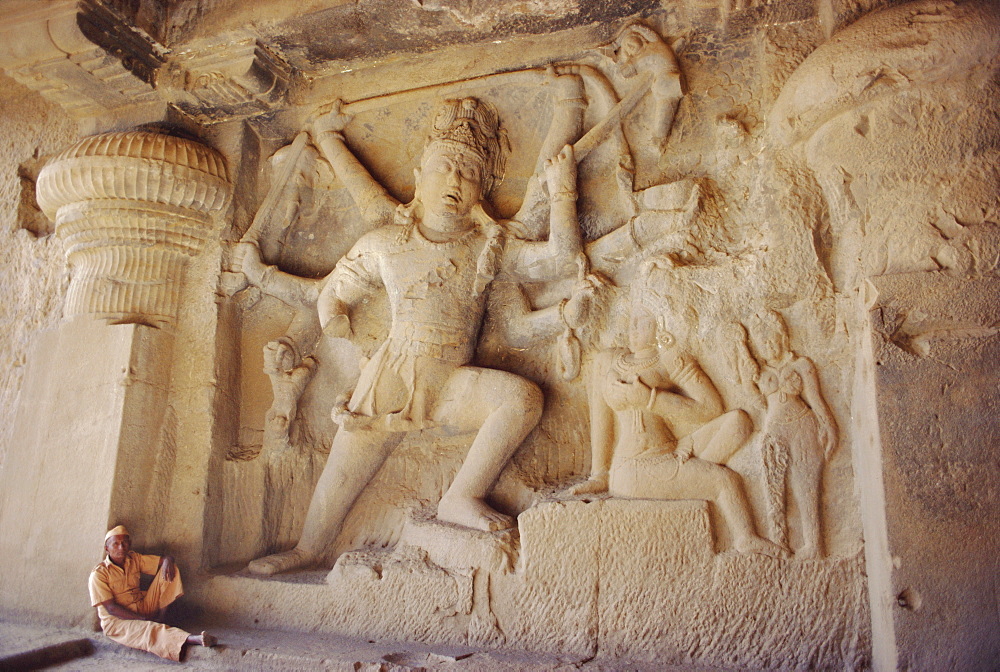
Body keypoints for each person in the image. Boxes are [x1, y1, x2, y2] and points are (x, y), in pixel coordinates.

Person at [241, 96, 591, 575]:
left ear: (482, 187)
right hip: (389, 376)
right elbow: (332, 295)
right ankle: (306, 549)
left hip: (451, 379)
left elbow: (559, 260)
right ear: (420, 173)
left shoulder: (488, 245)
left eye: (469, 173)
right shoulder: (386, 243)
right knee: (342, 474)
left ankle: (462, 496)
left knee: (522, 398)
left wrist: (563, 191)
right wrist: (355, 348)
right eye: (445, 167)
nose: (455, 182)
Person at [567, 299, 787, 558]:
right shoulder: (609, 361)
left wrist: (652, 399)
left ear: (661, 325)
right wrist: (599, 474)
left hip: (670, 450)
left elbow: (711, 408)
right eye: (633, 321)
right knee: (725, 481)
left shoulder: (670, 358)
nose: (634, 328)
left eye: (644, 321)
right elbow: (601, 417)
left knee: (739, 421)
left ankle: (692, 466)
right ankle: (744, 537)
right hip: (636, 466)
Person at [745, 309, 838, 557]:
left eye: (771, 339)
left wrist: (829, 426)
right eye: (761, 343)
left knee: (805, 486)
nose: (767, 346)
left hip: (802, 427)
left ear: (783, 337)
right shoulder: (759, 372)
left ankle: (814, 545)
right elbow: (756, 400)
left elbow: (816, 399)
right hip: (774, 433)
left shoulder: (801, 365)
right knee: (773, 490)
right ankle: (779, 543)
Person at [88, 525, 216, 661]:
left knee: (171, 570)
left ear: (129, 544)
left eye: (124, 543)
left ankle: (161, 618)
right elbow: (112, 609)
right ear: (107, 548)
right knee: (148, 629)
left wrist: (168, 561)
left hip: (142, 607)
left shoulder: (134, 558)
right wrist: (142, 619)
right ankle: (192, 639)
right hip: (118, 621)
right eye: (116, 544)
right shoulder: (99, 574)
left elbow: (165, 559)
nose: (121, 547)